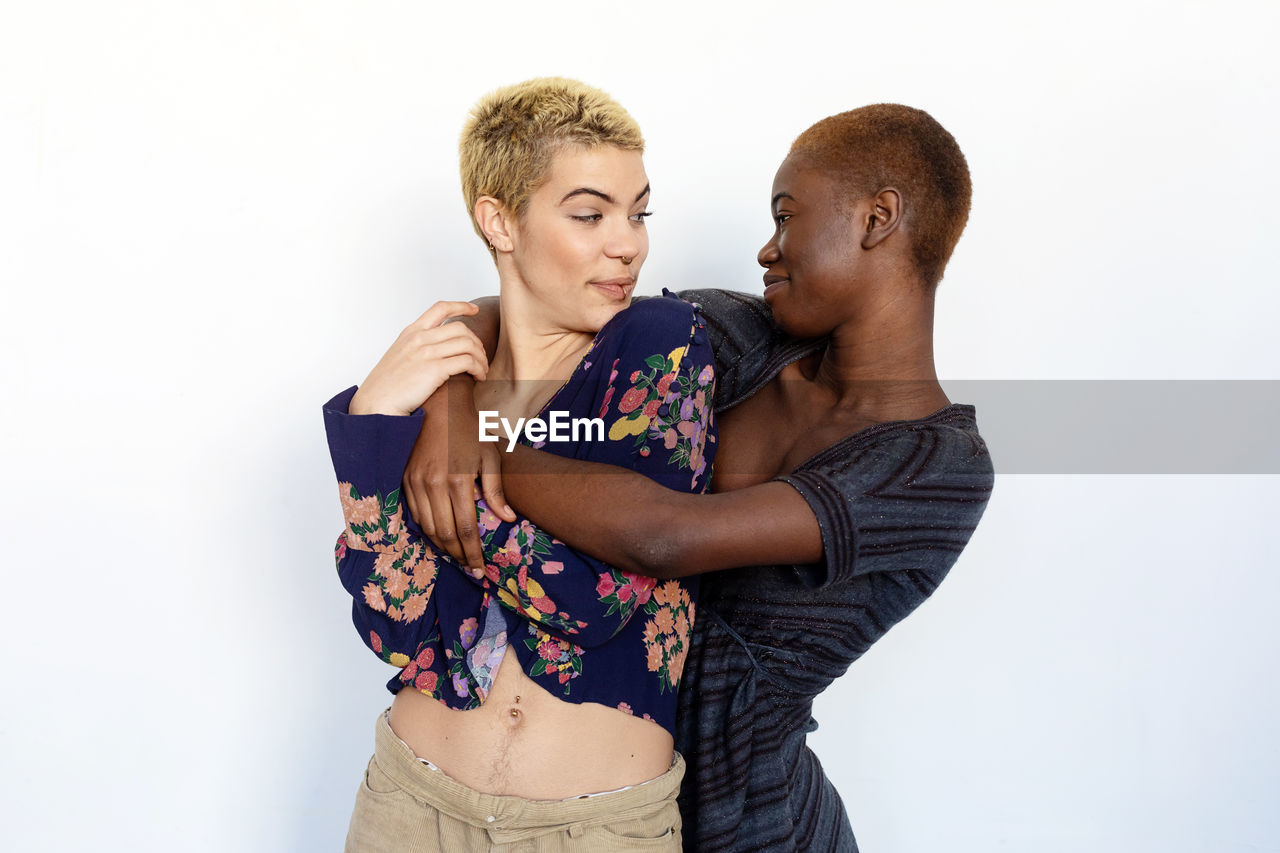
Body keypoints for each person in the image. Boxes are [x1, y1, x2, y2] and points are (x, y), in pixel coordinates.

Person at [406, 104, 994, 851]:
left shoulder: (937, 468)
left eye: (786, 218)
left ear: (878, 218)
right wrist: (451, 402)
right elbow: (529, 309)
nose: (767, 250)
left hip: (754, 824)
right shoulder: (738, 339)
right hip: (596, 804)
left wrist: (483, 439)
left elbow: (663, 536)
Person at [322, 78, 718, 851]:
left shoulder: (661, 347)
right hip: (409, 803)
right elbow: (395, 621)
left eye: (638, 212)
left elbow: (597, 598)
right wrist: (371, 420)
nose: (628, 241)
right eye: (589, 213)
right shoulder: (446, 378)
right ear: (499, 221)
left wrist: (440, 456)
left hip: (597, 827)